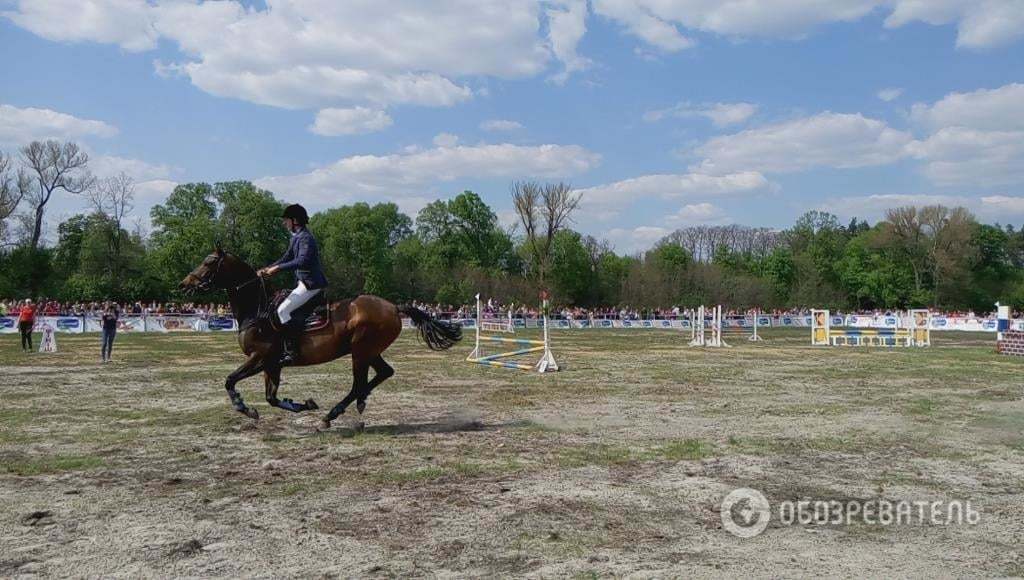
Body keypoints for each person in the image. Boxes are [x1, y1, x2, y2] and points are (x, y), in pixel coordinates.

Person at [257, 204, 329, 365]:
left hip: (312, 284)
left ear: (295, 220)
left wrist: (278, 269)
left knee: (283, 310)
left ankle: (292, 352)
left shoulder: (306, 238)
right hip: (302, 284)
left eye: (286, 220)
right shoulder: (295, 237)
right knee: (278, 307)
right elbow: (285, 258)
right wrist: (267, 269)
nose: (284, 223)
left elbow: (302, 261)